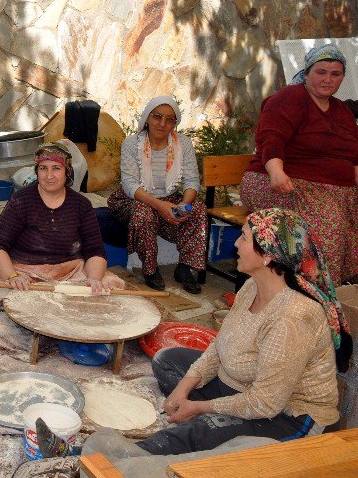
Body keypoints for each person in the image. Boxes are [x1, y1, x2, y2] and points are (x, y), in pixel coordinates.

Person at [132, 208, 350, 455]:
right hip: (243, 386)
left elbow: (264, 403)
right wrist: (183, 390)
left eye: (244, 237)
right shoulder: (250, 286)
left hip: (288, 415)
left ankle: (113, 464)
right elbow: (219, 346)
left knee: (191, 434)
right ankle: (213, 418)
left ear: (268, 255)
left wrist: (201, 408)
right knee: (166, 362)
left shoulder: (292, 318)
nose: (235, 243)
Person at [241, 43, 358, 285]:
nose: (328, 79)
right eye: (321, 72)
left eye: (335, 74)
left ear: (342, 78)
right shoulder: (289, 98)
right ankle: (316, 294)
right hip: (280, 182)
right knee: (328, 229)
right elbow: (271, 138)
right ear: (307, 73)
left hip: (333, 191)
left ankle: (343, 290)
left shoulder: (342, 111)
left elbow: (353, 156)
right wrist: (276, 171)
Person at [0, 143, 124, 293]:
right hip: (24, 273)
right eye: (43, 168)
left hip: (71, 274)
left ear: (68, 172)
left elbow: (95, 251)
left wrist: (94, 279)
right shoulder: (21, 200)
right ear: (37, 171)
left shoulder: (81, 205)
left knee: (106, 288)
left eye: (56, 168)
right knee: (5, 296)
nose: (49, 175)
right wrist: (12, 276)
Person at [108, 96, 208, 294]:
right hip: (135, 199)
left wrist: (184, 205)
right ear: (147, 118)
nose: (162, 124)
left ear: (174, 123)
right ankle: (150, 269)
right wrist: (159, 205)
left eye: (169, 119)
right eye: (157, 117)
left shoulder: (183, 144)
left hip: (170, 199)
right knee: (143, 213)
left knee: (198, 211)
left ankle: (184, 268)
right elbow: (130, 184)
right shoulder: (132, 144)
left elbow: (191, 181)